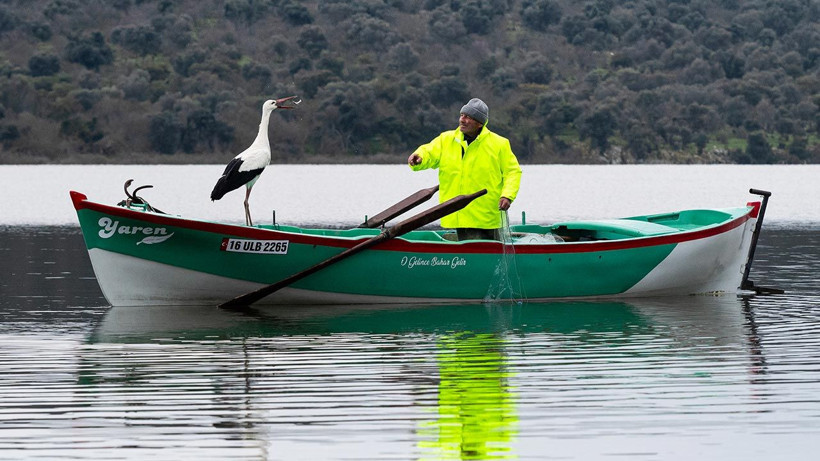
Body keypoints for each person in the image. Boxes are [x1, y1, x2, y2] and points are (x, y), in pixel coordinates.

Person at [408, 98, 522, 241]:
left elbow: (513, 172)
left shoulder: (499, 144)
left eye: (468, 117)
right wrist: (419, 157)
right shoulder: (446, 139)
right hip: (455, 213)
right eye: (462, 115)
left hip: (486, 215)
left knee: (488, 254)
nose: (462, 120)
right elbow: (429, 152)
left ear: (480, 123)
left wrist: (507, 196)